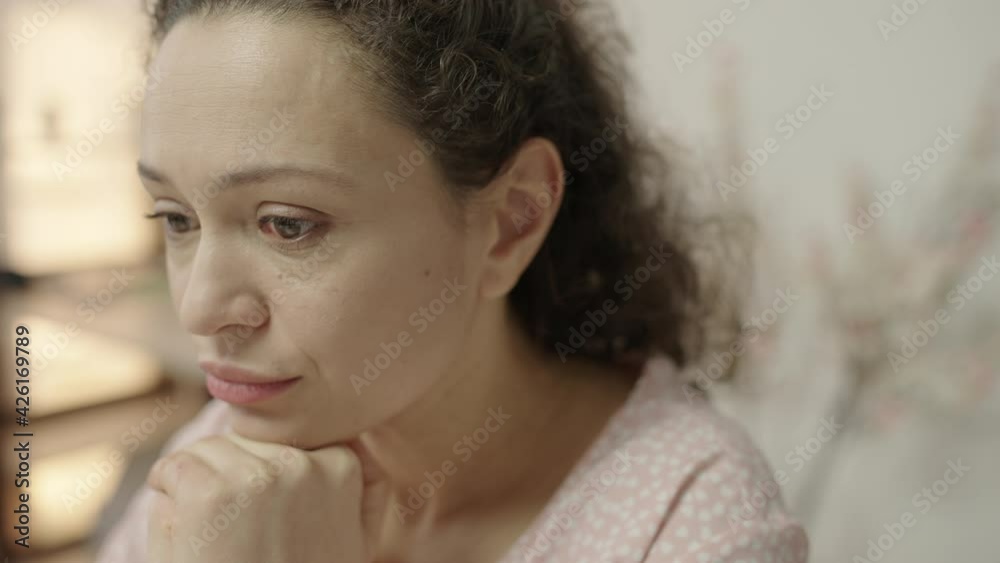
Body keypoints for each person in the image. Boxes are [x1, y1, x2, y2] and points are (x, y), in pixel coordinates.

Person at [97, 0, 809, 561]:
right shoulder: (237, 452)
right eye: (176, 218)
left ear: (511, 222)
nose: (200, 309)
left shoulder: (695, 527)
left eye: (287, 224)